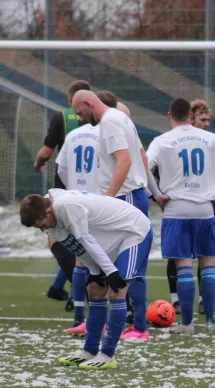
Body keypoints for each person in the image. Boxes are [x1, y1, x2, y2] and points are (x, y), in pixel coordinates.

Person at [19, 189, 153, 369]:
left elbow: (86, 240)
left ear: (48, 212)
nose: (43, 229)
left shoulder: (66, 206)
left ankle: (107, 355)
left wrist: (111, 273)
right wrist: (96, 272)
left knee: (117, 291)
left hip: (133, 231)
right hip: (110, 237)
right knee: (94, 290)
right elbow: (80, 249)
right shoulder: (51, 224)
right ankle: (89, 350)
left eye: (41, 224)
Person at [71, 90, 164, 342]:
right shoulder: (117, 117)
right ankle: (102, 323)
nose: (80, 118)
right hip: (129, 196)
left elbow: (124, 162)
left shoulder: (111, 121)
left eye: (80, 112)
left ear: (89, 104)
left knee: (131, 270)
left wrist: (107, 200)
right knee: (104, 266)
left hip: (126, 199)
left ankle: (141, 328)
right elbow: (139, 157)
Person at [147, 98, 215, 334]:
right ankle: (210, 322)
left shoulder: (162, 140)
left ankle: (187, 324)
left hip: (176, 209)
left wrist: (157, 194)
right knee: (208, 265)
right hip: (204, 209)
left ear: (170, 115)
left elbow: (144, 166)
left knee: (184, 267)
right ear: (190, 115)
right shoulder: (209, 138)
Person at [34, 80, 91, 308]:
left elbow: (47, 152)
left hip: (65, 186)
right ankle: (61, 289)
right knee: (82, 239)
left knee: (58, 240)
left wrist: (38, 163)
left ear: (70, 99)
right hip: (91, 187)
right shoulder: (100, 118)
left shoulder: (62, 117)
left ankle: (77, 292)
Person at [55, 106, 100, 332]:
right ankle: (99, 315)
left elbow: (61, 170)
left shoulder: (72, 136)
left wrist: (74, 186)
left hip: (75, 200)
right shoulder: (104, 134)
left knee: (80, 259)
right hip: (99, 202)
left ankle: (78, 316)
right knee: (100, 258)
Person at [165, 98, 212, 315]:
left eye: (208, 119)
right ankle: (178, 301)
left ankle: (197, 307)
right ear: (191, 118)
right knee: (184, 257)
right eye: (203, 119)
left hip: (184, 208)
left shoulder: (208, 140)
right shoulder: (178, 142)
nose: (207, 123)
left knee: (190, 256)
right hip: (196, 208)